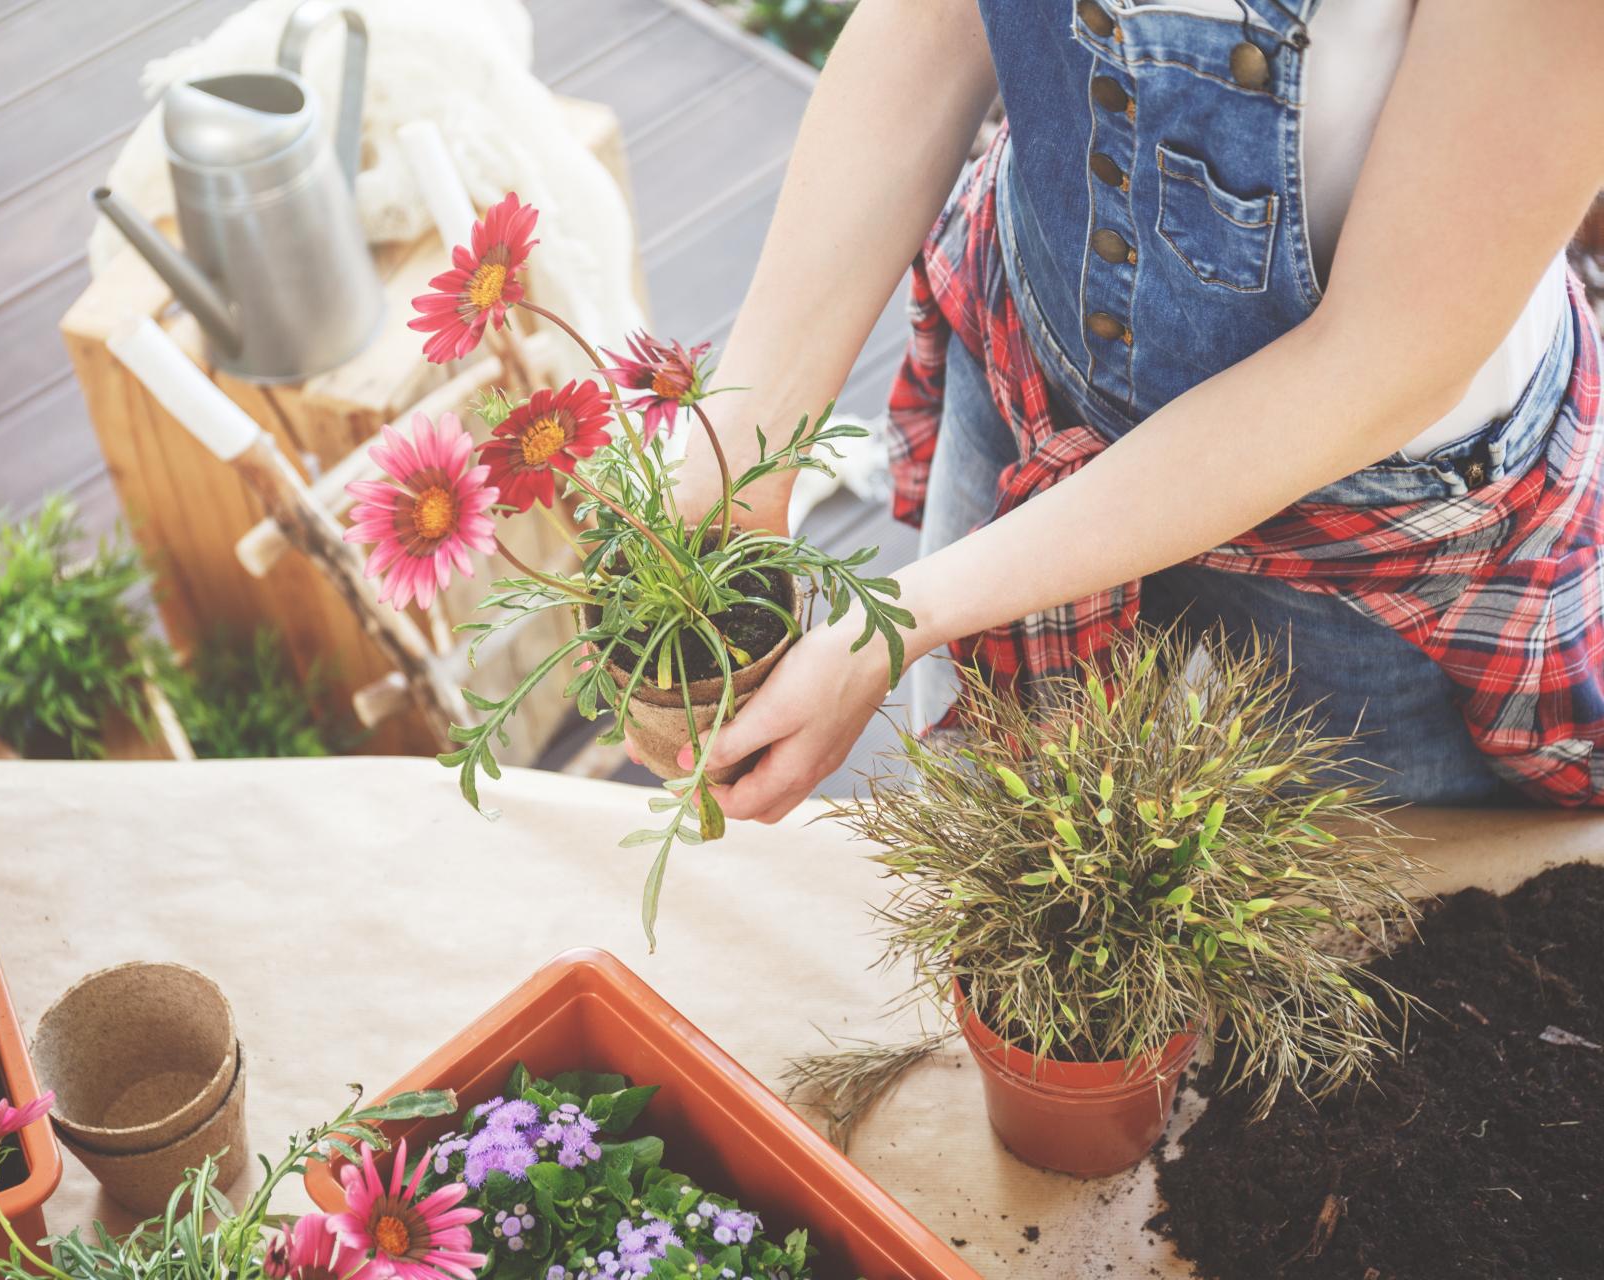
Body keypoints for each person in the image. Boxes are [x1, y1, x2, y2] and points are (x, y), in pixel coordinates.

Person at [666, 0, 1604, 819]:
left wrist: (900, 621)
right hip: (1041, 379)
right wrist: (737, 461)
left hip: (1367, 528)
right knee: (1011, 899)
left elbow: (1387, 356)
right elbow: (935, 17)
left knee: (1347, 960)